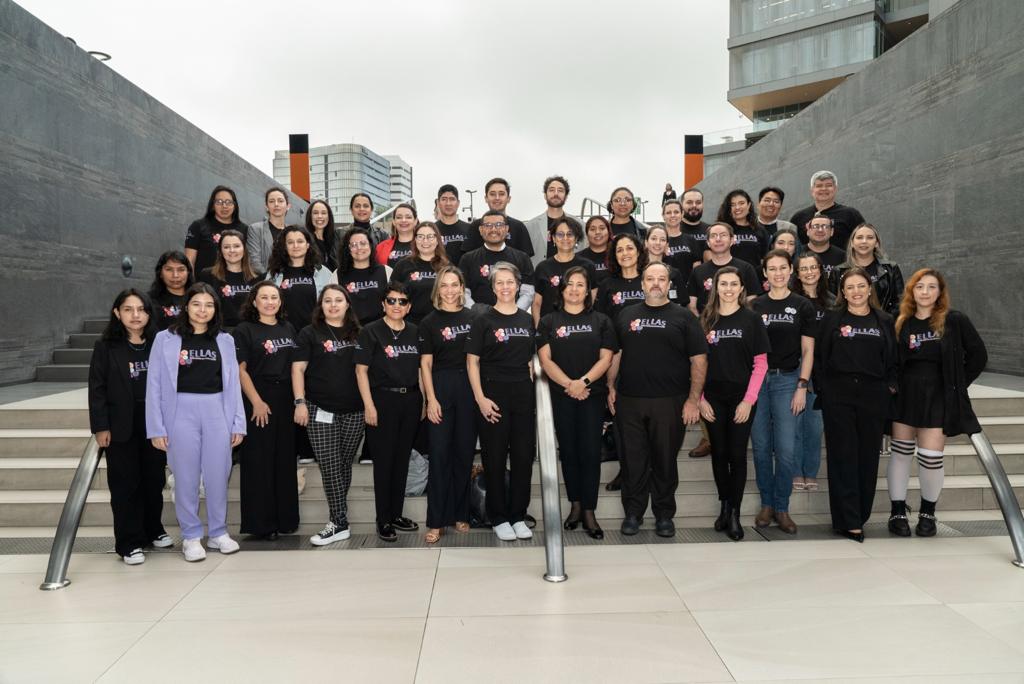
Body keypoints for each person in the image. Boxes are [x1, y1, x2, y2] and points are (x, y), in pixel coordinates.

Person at [607, 262, 708, 537]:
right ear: (642, 284)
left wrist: (692, 400)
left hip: (670, 401)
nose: (655, 283)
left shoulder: (684, 317)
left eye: (661, 279)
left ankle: (664, 515)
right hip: (630, 400)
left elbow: (698, 360)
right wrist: (610, 386)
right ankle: (633, 513)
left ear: (669, 284)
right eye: (649, 278)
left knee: (665, 461)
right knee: (633, 461)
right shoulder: (626, 314)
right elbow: (615, 354)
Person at [146, 283, 245, 562]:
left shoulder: (225, 340)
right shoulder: (165, 339)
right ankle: (191, 535)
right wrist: (156, 427)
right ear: (186, 306)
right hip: (180, 411)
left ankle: (218, 532)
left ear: (216, 309)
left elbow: (233, 384)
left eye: (209, 305)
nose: (203, 310)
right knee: (186, 476)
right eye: (197, 304)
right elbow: (153, 384)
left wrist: (238, 422)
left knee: (217, 473)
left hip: (216, 410)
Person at [887, 269, 987, 537]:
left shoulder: (954, 320)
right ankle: (897, 511)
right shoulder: (900, 319)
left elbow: (978, 355)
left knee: (931, 458)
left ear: (940, 292)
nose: (925, 292)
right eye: (920, 286)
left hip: (938, 396)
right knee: (900, 454)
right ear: (911, 290)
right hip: (905, 394)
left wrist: (956, 385)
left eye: (932, 287)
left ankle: (927, 513)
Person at [815, 267, 898, 542]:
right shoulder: (831, 319)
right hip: (838, 395)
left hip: (873, 395)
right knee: (843, 457)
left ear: (870, 289)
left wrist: (889, 388)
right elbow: (820, 358)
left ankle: (859, 515)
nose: (856, 292)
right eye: (849, 287)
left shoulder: (884, 320)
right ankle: (847, 519)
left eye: (861, 286)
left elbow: (893, 360)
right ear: (842, 291)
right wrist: (825, 391)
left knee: (867, 458)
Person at [89, 289, 170, 565]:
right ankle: (128, 542)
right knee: (125, 485)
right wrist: (100, 426)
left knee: (154, 480)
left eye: (141, 309)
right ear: (117, 313)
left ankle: (153, 530)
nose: (136, 315)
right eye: (128, 309)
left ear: (150, 313)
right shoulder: (106, 346)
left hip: (153, 421)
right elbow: (97, 389)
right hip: (121, 423)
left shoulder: (160, 342)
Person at [538, 266, 616, 540]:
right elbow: (545, 360)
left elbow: (606, 358)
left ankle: (590, 511)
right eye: (569, 284)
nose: (574, 289)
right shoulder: (548, 321)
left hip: (591, 397)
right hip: (561, 397)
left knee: (591, 452)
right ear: (562, 290)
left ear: (588, 290)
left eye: (580, 285)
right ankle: (575, 506)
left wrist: (582, 383)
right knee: (569, 452)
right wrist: (569, 385)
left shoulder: (602, 320)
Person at [466, 262, 537, 541]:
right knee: (494, 458)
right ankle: (497, 516)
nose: (505, 287)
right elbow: (472, 362)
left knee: (522, 458)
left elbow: (531, 357)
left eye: (510, 282)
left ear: (518, 285)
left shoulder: (525, 319)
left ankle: (518, 515)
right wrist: (480, 399)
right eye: (500, 283)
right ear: (492, 287)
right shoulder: (483, 319)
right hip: (492, 394)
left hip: (522, 393)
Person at [699, 267, 769, 540]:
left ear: (741, 288)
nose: (728, 288)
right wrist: (701, 399)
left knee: (737, 455)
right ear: (716, 288)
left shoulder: (751, 320)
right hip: (713, 399)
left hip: (741, 398)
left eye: (734, 284)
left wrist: (749, 401)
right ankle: (725, 506)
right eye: (723, 284)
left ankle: (736, 513)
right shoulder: (705, 320)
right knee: (719, 453)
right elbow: (696, 363)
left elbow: (760, 363)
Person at [750, 250, 817, 534]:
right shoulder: (754, 306)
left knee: (787, 450)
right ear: (764, 273)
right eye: (772, 269)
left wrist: (802, 385)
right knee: (762, 447)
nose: (777, 273)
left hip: (788, 381)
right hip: (758, 382)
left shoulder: (802, 305)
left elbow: (808, 350)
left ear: (791, 270)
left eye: (782, 268)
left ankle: (782, 506)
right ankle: (767, 504)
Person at [293, 284, 364, 546]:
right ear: (320, 306)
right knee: (330, 465)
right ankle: (339, 522)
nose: (333, 305)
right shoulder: (309, 333)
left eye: (338, 300)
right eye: (327, 301)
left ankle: (338, 519)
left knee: (344, 465)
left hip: (354, 410)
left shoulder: (361, 334)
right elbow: (298, 370)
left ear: (347, 304)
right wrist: (300, 402)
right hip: (318, 408)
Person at [355, 283, 422, 542]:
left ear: (409, 307)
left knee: (402, 460)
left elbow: (420, 369)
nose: (396, 305)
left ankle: (396, 514)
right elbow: (360, 371)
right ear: (383, 304)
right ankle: (383, 519)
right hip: (382, 400)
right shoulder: (370, 332)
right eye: (391, 301)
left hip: (411, 400)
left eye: (402, 301)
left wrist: (425, 401)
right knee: (384, 463)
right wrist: (369, 405)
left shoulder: (415, 332)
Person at [233, 282, 299, 540]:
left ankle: (286, 520)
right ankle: (261, 524)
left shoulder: (288, 327)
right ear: (254, 301)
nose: (270, 302)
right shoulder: (244, 330)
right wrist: (257, 402)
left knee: (284, 460)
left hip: (285, 399)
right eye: (264, 297)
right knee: (259, 461)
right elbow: (240, 370)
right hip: (258, 398)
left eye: (274, 297)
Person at [419, 266, 477, 543]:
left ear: (462, 287)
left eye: (455, 284)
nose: (450, 290)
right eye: (445, 285)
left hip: (468, 386)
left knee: (464, 454)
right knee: (440, 455)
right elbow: (425, 364)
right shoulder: (429, 322)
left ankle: (460, 513)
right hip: (441, 387)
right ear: (438, 289)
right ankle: (437, 520)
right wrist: (430, 399)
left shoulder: (474, 318)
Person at [794, 252, 834, 492]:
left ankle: (811, 472)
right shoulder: (792, 299)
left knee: (815, 425)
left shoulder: (832, 301)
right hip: (798, 366)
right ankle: (796, 471)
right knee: (795, 424)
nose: (809, 272)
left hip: (824, 369)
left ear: (821, 270)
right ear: (797, 274)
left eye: (813, 267)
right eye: (804, 268)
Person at [458, 210, 535, 312]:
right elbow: (463, 292)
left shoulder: (522, 258)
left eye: (499, 225)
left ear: (507, 229)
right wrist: (476, 311)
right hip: (479, 321)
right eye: (488, 225)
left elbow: (528, 293)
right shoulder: (467, 259)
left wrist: (513, 312)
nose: (493, 229)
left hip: (513, 320)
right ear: (480, 230)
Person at [265, 225, 332, 332]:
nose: (295, 245)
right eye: (290, 242)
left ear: (308, 245)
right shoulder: (274, 273)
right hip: (282, 334)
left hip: (314, 334)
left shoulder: (323, 272)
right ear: (285, 246)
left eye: (300, 241)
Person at [532, 217, 597, 325]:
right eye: (560, 234)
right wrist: (540, 330)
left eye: (570, 234)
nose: (565, 238)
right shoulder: (542, 267)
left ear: (576, 238)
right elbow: (537, 303)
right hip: (550, 328)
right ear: (553, 238)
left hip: (580, 326)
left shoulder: (587, 266)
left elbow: (592, 298)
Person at [686, 222, 762, 315]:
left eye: (723, 235)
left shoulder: (746, 269)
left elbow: (752, 303)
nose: (718, 239)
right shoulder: (698, 271)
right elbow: (692, 306)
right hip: (707, 326)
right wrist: (701, 326)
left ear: (732, 240)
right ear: (708, 242)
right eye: (713, 236)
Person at [833, 223, 905, 316]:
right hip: (848, 326)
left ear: (876, 243)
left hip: (884, 326)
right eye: (859, 237)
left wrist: (885, 321)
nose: (864, 241)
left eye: (870, 237)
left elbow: (900, 302)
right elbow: (834, 304)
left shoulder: (891, 268)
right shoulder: (839, 271)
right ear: (852, 243)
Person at [197, 229, 262, 328]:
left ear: (244, 249)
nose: (232, 250)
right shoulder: (207, 275)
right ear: (220, 251)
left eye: (236, 246)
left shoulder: (257, 277)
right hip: (219, 332)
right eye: (226, 247)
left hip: (250, 332)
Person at [390, 221, 450, 324]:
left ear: (437, 240)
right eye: (420, 236)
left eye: (430, 236)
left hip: (440, 325)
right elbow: (391, 297)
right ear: (415, 240)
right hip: (409, 326)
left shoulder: (447, 267)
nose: (425, 241)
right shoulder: (402, 265)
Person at [790, 170, 866, 250]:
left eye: (829, 185)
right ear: (812, 190)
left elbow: (865, 240)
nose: (824, 189)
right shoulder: (798, 218)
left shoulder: (850, 214)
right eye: (819, 186)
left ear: (835, 189)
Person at [331, 227, 390, 325]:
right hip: (349, 333)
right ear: (348, 249)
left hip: (381, 333)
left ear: (370, 246)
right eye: (353, 245)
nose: (359, 248)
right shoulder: (337, 275)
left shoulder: (386, 271)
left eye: (363, 243)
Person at [462, 178, 535, 256]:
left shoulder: (519, 227)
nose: (497, 198)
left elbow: (525, 261)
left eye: (501, 194)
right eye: (492, 194)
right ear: (486, 198)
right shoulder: (475, 226)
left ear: (508, 199)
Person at [185, 185, 249, 274]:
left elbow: (248, 261)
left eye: (228, 202)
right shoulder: (198, 226)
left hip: (235, 285)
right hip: (205, 285)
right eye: (219, 202)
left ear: (235, 205)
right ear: (212, 205)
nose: (224, 206)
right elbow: (189, 261)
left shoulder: (244, 229)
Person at [524, 175, 584, 264]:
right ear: (545, 195)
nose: (556, 194)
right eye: (551, 190)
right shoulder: (530, 226)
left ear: (566, 196)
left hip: (571, 275)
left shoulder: (580, 225)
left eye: (560, 190)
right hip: (541, 275)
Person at [595, 233, 648, 323]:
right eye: (619, 250)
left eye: (629, 248)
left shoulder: (649, 281)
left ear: (638, 252)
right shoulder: (606, 284)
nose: (625, 253)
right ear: (615, 256)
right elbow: (600, 319)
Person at [717, 189, 769, 269]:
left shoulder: (760, 230)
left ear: (749, 205)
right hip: (728, 277)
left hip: (753, 278)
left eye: (741, 203)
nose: (737, 207)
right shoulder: (721, 230)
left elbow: (765, 259)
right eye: (733, 205)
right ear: (728, 208)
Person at [247, 187, 291, 273]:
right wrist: (270, 281)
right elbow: (254, 262)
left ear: (288, 206)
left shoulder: (293, 232)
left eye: (280, 201)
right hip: (266, 282)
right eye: (271, 201)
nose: (276, 204)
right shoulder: (256, 229)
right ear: (266, 207)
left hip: (291, 281)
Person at [149, 250, 194, 331]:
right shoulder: (149, 300)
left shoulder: (197, 298)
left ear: (188, 272)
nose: (175, 275)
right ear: (160, 273)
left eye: (181, 269)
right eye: (169, 269)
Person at [644, 226, 688, 305]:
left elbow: (682, 303)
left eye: (662, 240)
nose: (658, 243)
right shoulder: (636, 271)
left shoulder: (674, 273)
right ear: (646, 243)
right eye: (654, 239)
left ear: (667, 245)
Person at [661, 199, 701, 283]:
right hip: (664, 290)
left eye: (676, 212)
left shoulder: (691, 240)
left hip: (686, 291)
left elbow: (697, 270)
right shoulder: (658, 241)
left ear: (682, 214)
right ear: (663, 216)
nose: (673, 215)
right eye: (668, 213)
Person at [804, 212, 847, 288]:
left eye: (825, 226)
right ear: (808, 231)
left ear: (832, 232)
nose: (820, 230)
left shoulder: (843, 257)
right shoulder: (797, 253)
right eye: (816, 226)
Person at [375, 202, 418, 268]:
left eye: (408, 217)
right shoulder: (381, 247)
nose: (403, 220)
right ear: (394, 222)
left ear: (415, 221)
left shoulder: (426, 244)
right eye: (399, 217)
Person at [435, 184, 471, 259]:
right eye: (444, 199)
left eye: (452, 199)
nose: (448, 203)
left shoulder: (470, 229)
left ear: (458, 203)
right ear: (438, 203)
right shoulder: (432, 230)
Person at [577, 216, 613, 285]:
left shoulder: (617, 256)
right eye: (592, 229)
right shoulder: (578, 258)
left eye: (602, 228)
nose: (597, 232)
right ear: (587, 234)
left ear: (609, 231)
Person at [306, 199, 339, 272]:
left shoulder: (336, 239)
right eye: (315, 213)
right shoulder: (305, 240)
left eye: (323, 213)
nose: (320, 216)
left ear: (329, 216)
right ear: (310, 216)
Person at [680, 188, 710, 259]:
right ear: (681, 205)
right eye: (689, 202)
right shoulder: (673, 231)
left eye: (698, 202)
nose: (694, 205)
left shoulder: (710, 230)